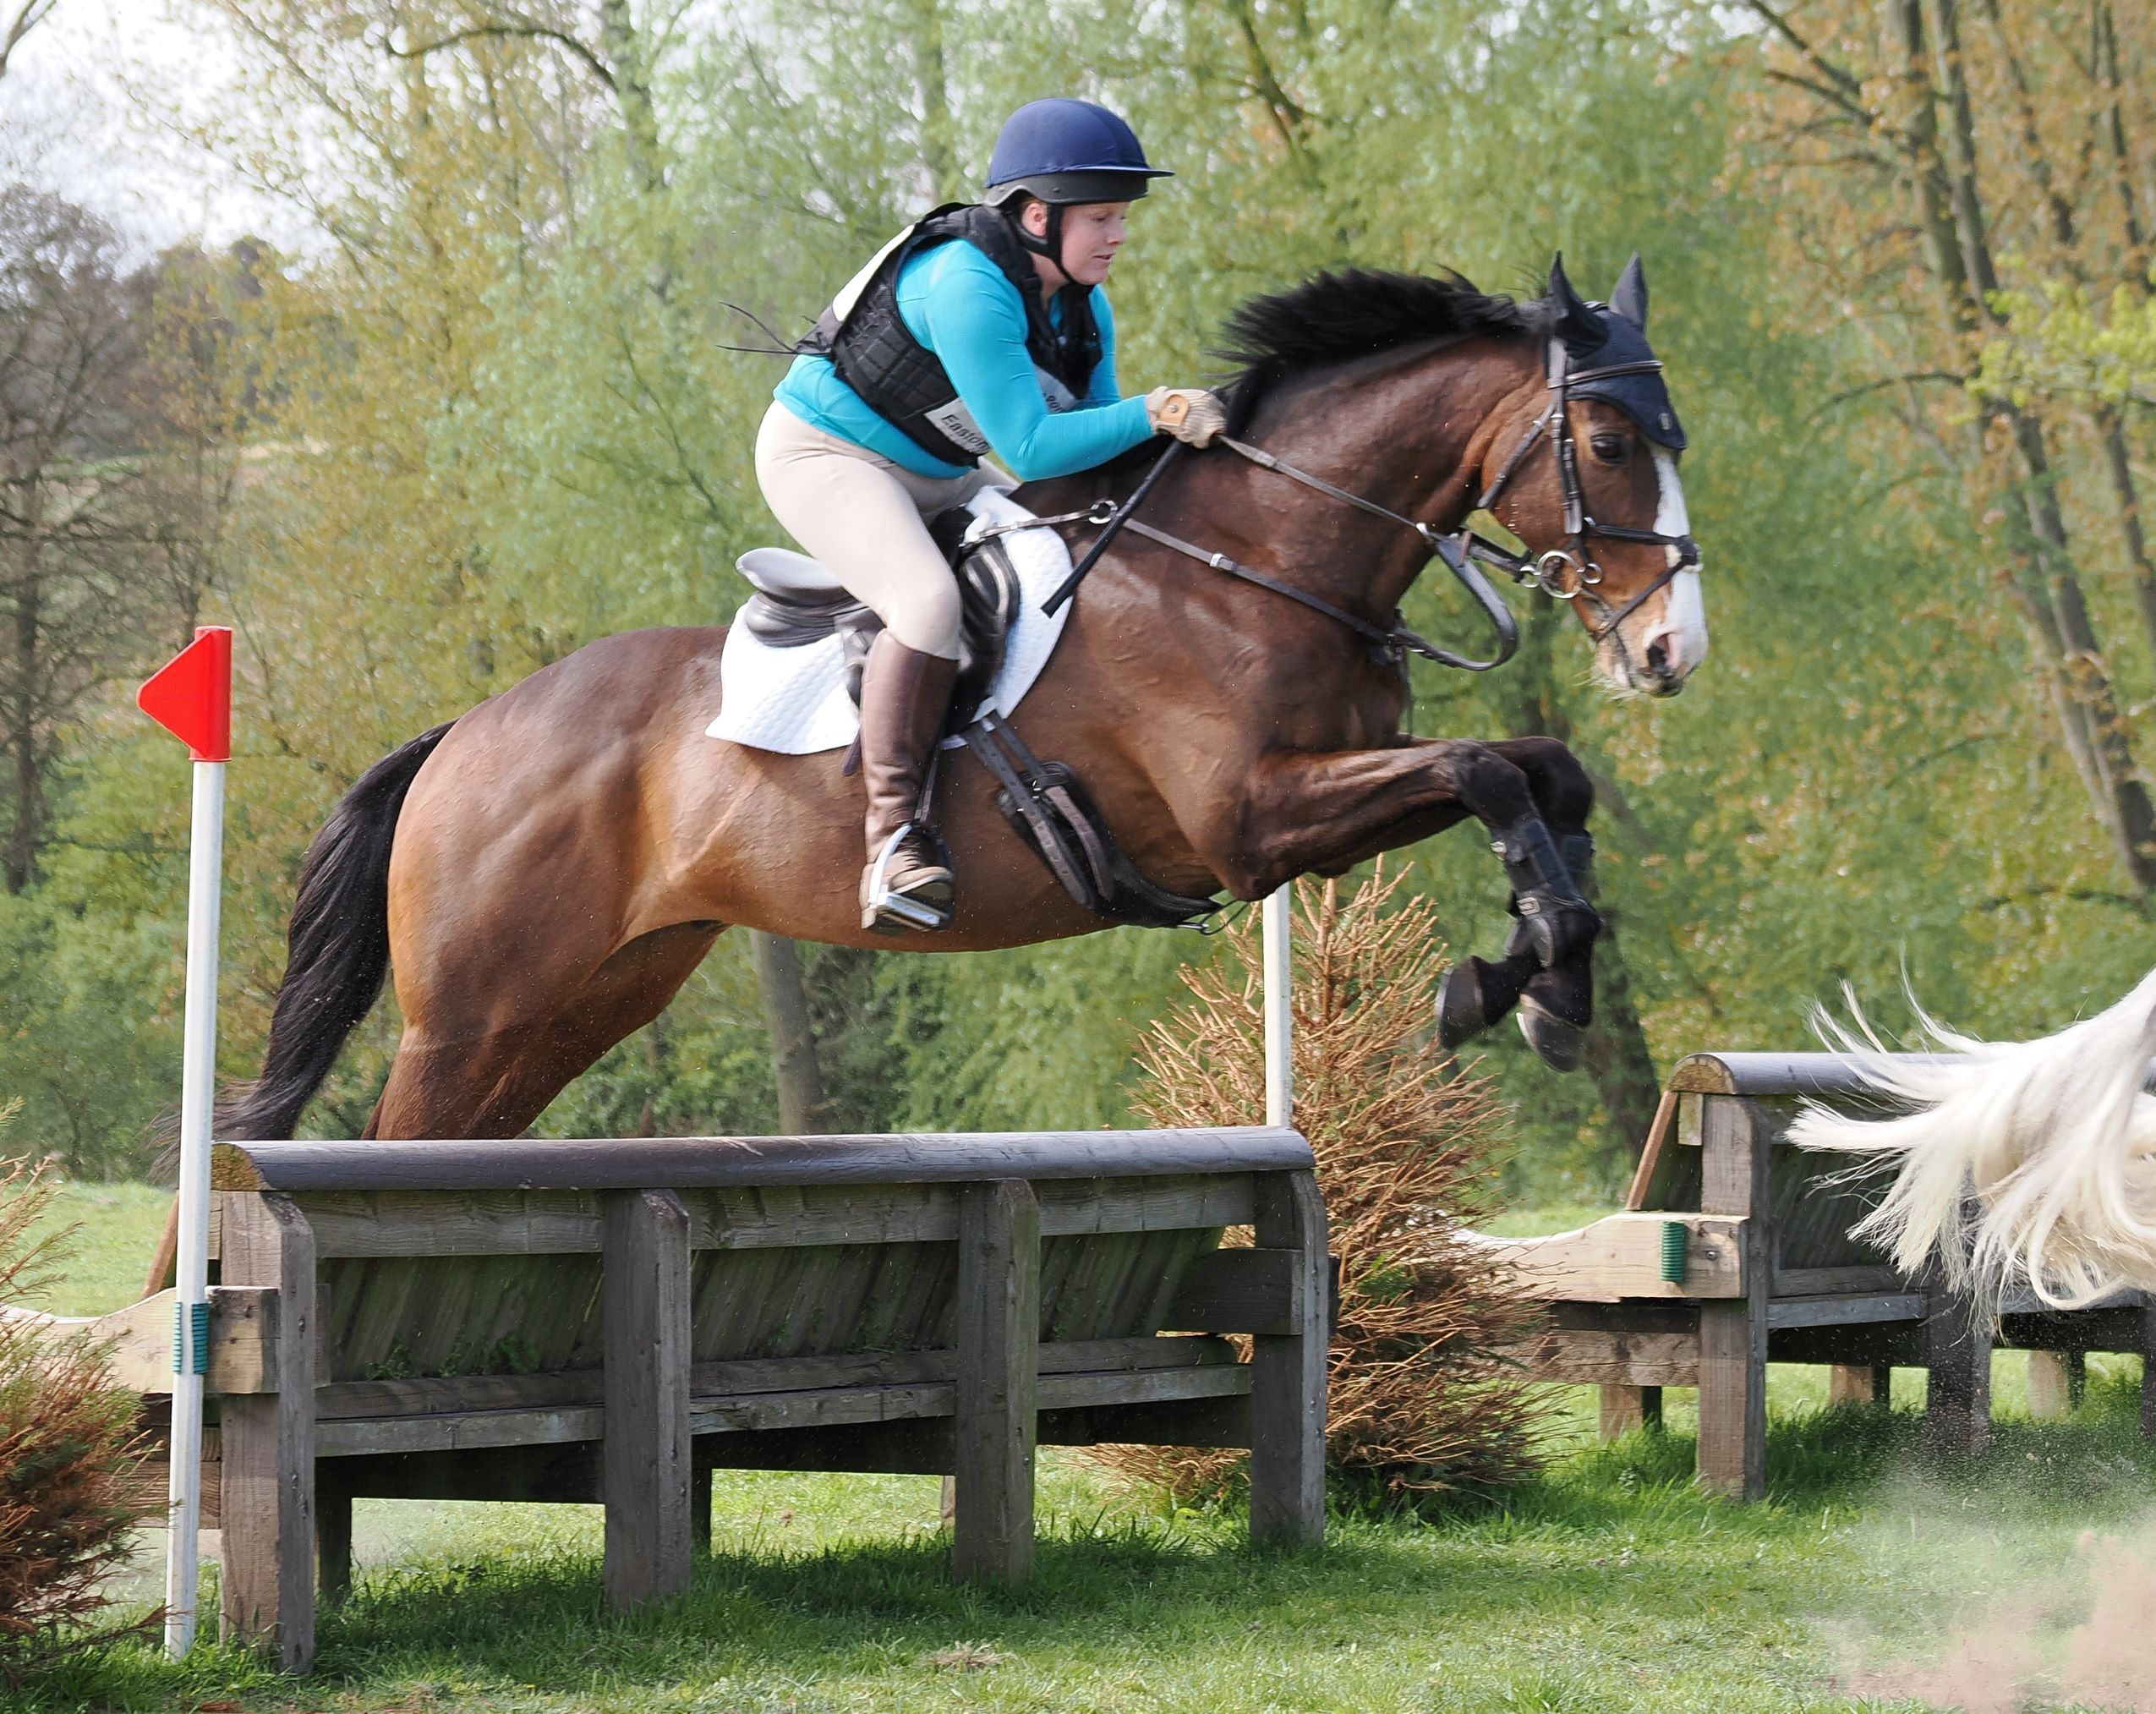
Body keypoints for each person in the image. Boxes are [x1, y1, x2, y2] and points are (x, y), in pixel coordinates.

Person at [759, 97, 1227, 934]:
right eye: (1102, 218)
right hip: (826, 456)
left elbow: (1092, 449)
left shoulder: (1082, 303)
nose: (1119, 235)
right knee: (927, 602)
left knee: (1074, 549)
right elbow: (1037, 450)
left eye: (1122, 217)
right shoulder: (967, 284)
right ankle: (893, 843)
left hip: (939, 467)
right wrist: (1158, 411)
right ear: (1038, 215)